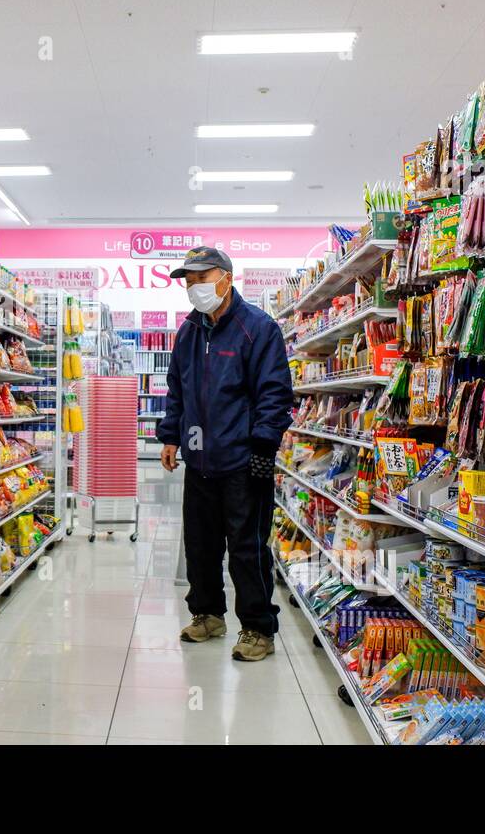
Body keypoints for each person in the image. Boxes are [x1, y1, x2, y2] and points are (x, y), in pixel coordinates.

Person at [156, 246, 294, 662]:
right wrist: (170, 436)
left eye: (201, 277)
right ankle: (208, 614)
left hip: (242, 462)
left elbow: (275, 394)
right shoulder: (188, 332)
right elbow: (177, 389)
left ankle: (257, 628)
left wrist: (263, 447)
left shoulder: (258, 328)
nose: (194, 286)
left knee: (247, 547)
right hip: (199, 460)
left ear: (226, 278)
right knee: (200, 544)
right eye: (188, 280)